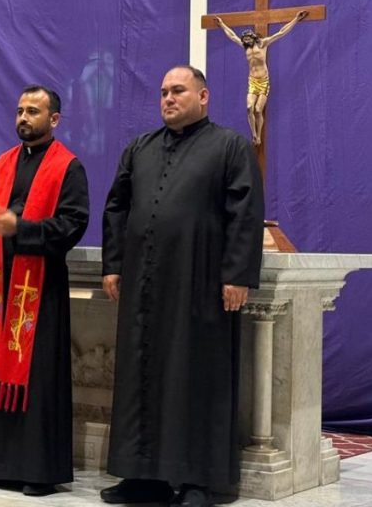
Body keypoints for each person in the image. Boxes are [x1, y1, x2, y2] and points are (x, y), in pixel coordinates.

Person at [100, 66, 264, 507]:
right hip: (144, 285)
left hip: (201, 283)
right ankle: (141, 476)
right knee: (140, 374)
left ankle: (198, 481)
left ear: (204, 96)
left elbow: (244, 212)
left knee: (197, 376)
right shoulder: (141, 148)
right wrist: (114, 264)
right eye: (163, 92)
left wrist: (237, 274)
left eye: (178, 91)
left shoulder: (229, 146)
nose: (168, 98)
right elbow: (117, 206)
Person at [0, 86, 89, 497]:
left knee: (37, 382)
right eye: (19, 110)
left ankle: (37, 471)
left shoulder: (68, 167)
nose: (23, 117)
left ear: (54, 120)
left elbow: (73, 224)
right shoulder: (2, 164)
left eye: (33, 111)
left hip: (41, 287)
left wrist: (24, 230)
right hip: (0, 287)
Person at [215, 11, 307, 146]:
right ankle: (254, 135)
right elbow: (232, 35)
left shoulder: (262, 44)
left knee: (258, 110)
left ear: (253, 37)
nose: (245, 40)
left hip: (263, 81)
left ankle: (259, 135)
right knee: (248, 107)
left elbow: (281, 33)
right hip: (252, 81)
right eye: (244, 38)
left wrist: (295, 19)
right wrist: (222, 24)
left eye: (248, 38)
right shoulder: (245, 47)